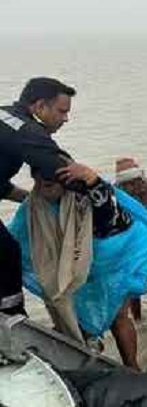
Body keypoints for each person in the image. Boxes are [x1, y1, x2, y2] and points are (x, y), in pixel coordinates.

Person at [10, 163, 147, 370]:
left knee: (119, 317)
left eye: (49, 182)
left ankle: (132, 368)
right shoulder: (34, 205)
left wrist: (92, 179)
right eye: (38, 180)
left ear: (66, 180)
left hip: (111, 263)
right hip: (70, 269)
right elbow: (15, 238)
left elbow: (111, 221)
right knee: (73, 316)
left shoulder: (87, 195)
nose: (43, 185)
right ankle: (89, 355)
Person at [0, 77, 79, 317]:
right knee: (7, 252)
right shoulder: (27, 130)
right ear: (40, 106)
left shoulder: (4, 116)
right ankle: (13, 317)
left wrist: (30, 202)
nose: (65, 119)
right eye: (61, 111)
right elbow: (61, 169)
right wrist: (98, 191)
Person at [115, 157, 147, 321]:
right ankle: (137, 318)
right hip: (130, 243)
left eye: (135, 182)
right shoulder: (116, 194)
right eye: (126, 184)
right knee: (132, 281)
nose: (133, 187)